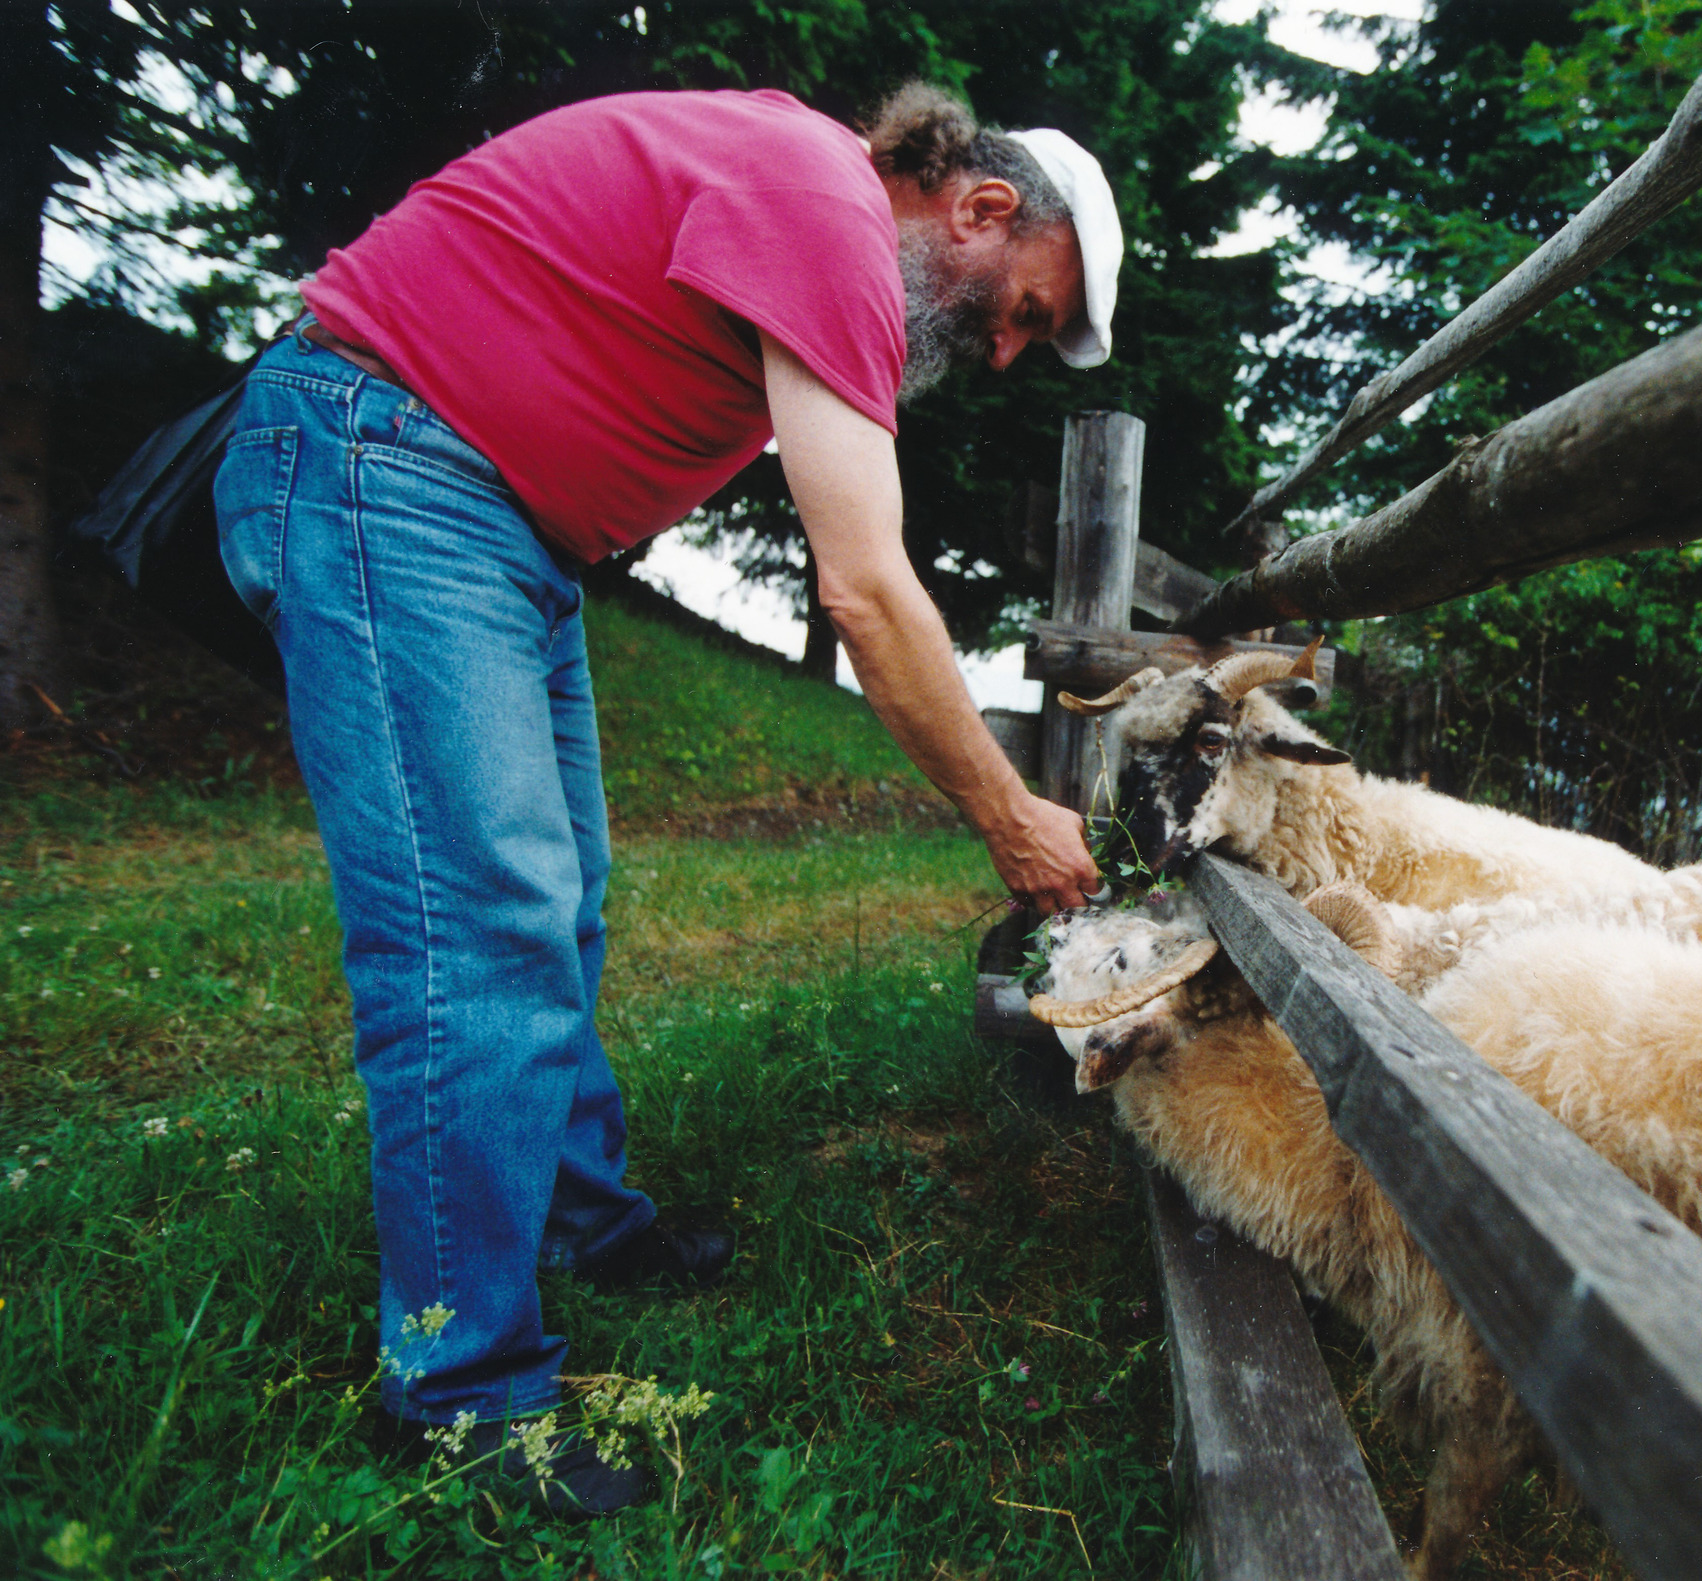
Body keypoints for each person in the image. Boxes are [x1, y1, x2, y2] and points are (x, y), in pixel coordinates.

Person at [212, 82, 1112, 1515]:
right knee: (480, 931)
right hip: (389, 463)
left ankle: (577, 1218)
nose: (1003, 352)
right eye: (1022, 311)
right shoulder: (828, 209)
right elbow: (866, 590)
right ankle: (460, 1396)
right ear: (983, 208)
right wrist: (1008, 816)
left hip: (493, 519)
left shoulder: (802, 198)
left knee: (555, 898)